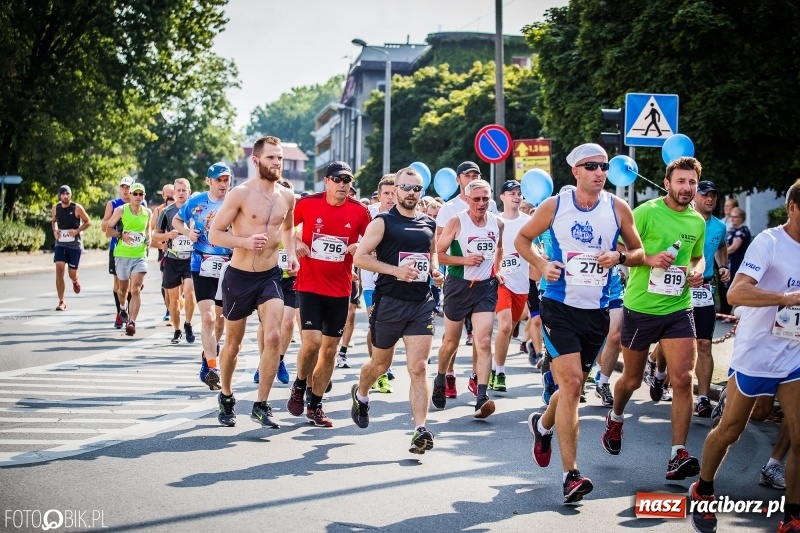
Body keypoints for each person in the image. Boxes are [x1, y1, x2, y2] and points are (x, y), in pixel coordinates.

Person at [515, 143, 644, 503]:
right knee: (571, 383)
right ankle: (571, 475)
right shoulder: (555, 205)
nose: (599, 172)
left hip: (597, 311)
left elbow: (639, 253)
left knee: (572, 387)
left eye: (603, 166)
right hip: (559, 306)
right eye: (591, 166)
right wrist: (541, 264)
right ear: (575, 171)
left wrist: (619, 256)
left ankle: (542, 427)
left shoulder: (617, 208)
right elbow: (522, 239)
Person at [690, 179, 800, 533]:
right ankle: (703, 488)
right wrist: (786, 298)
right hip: (757, 351)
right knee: (731, 430)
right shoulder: (769, 242)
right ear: (793, 208)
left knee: (799, 437)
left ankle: (793, 515)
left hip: (794, 353)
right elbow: (737, 293)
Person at [601, 156, 707, 481]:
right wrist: (649, 258)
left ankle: (678, 454)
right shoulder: (646, 212)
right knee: (631, 380)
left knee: (683, 379)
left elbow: (698, 257)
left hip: (678, 308)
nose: (687, 188)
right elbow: (621, 249)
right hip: (640, 308)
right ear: (667, 183)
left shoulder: (697, 222)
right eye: (681, 181)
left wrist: (697, 272)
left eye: (692, 182)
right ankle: (616, 418)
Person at [350, 167, 444, 452]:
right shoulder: (382, 222)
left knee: (418, 367)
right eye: (406, 188)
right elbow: (361, 257)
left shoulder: (428, 222)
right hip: (389, 301)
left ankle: (420, 429)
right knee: (381, 365)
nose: (411, 193)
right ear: (397, 190)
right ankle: (362, 393)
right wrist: (395, 271)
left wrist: (436, 270)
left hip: (420, 302)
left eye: (416, 189)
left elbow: (432, 252)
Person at [209, 135, 297, 428]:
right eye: (271, 157)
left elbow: (287, 230)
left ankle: (261, 404)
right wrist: (245, 241)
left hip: (271, 276)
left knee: (273, 336)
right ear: (256, 160)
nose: (277, 163)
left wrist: (292, 254)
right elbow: (215, 234)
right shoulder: (240, 194)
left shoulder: (287, 196)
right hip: (239, 276)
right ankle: (227, 394)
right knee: (233, 344)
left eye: (280, 158)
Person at [286, 161, 371, 427]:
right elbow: (285, 228)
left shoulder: (359, 212)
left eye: (347, 180)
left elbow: (372, 243)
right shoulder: (309, 203)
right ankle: (300, 385)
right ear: (327, 181)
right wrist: (296, 242)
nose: (343, 185)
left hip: (339, 289)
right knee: (311, 344)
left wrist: (360, 245)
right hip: (310, 285)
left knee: (330, 350)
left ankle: (316, 405)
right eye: (338, 180)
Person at [433, 179, 503, 418]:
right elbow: (439, 255)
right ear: (467, 199)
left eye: (486, 198)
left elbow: (498, 249)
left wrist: (497, 270)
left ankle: (482, 397)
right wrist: (464, 260)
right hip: (458, 287)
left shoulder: (496, 222)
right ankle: (441, 378)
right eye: (477, 199)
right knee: (451, 342)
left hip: (485, 288)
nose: (482, 203)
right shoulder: (456, 222)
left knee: (483, 341)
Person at [173, 163, 232, 390]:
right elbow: (178, 220)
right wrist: (188, 232)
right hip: (201, 264)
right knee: (207, 318)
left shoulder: (234, 202)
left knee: (220, 321)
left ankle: (206, 355)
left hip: (228, 266)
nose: (223, 184)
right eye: (218, 180)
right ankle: (212, 366)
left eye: (226, 179)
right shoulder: (196, 203)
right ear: (208, 181)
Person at [346, 174, 396, 393]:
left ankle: (382, 367)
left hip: (395, 282)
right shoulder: (370, 215)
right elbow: (353, 241)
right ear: (379, 195)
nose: (390, 198)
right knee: (375, 326)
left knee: (390, 328)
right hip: (371, 283)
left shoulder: (404, 216)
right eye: (386, 193)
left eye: (394, 193)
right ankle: (378, 369)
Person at [254, 177, 299, 386]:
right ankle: (263, 363)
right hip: (269, 277)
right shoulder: (265, 221)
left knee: (288, 322)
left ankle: (279, 360)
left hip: (291, 280)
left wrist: (298, 254)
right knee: (267, 325)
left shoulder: (297, 223)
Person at [490, 180, 531, 392]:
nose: (516, 197)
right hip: (501, 280)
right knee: (505, 325)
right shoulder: (494, 221)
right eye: (512, 193)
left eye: (519, 194)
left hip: (521, 282)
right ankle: (500, 372)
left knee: (511, 327)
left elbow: (535, 248)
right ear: (502, 197)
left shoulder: (529, 222)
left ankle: (495, 367)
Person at [104, 182, 152, 336]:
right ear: (130, 195)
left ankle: (132, 322)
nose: (138, 197)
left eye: (141, 194)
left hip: (139, 255)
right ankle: (123, 308)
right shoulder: (121, 210)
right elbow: (107, 230)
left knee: (136, 288)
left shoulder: (147, 213)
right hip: (122, 255)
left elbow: (148, 229)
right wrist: (121, 235)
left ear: (144, 196)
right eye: (135, 194)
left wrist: (149, 239)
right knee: (122, 290)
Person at [153, 178, 196, 344]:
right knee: (173, 299)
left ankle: (188, 323)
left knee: (190, 291)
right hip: (172, 258)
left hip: (191, 259)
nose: (181, 193)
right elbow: (155, 235)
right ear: (174, 193)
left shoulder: (196, 211)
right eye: (178, 190)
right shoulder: (167, 212)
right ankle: (177, 329)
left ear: (189, 192)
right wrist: (167, 236)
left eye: (184, 190)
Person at [51, 185, 91, 311]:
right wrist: (55, 231)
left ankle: (75, 280)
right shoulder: (55, 208)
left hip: (74, 245)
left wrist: (77, 231)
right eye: (63, 194)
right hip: (61, 243)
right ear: (59, 195)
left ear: (71, 195)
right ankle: (62, 301)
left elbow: (88, 221)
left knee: (72, 273)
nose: (65, 196)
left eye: (67, 193)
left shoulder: (77, 208)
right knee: (59, 268)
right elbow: (54, 221)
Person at [101, 176, 133, 328]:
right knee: (119, 285)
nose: (126, 190)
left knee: (134, 285)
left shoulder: (140, 203)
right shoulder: (113, 204)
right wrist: (117, 219)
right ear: (120, 188)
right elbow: (103, 226)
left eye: (128, 187)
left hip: (135, 249)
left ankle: (131, 316)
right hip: (117, 248)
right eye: (123, 187)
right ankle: (120, 312)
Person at [720, 206, 751, 318]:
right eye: (731, 217)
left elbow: (734, 247)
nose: (732, 219)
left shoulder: (742, 231)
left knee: (735, 285)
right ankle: (730, 312)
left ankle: (734, 313)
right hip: (730, 262)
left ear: (741, 218)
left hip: (738, 262)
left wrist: (720, 253)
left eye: (735, 217)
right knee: (727, 286)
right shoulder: (732, 230)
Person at [152, 184, 176, 321]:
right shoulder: (160, 211)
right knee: (166, 283)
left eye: (172, 194)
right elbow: (153, 233)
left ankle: (177, 303)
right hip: (165, 252)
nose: (170, 197)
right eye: (167, 195)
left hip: (182, 254)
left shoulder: (184, 209)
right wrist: (162, 245)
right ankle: (169, 309)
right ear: (163, 196)